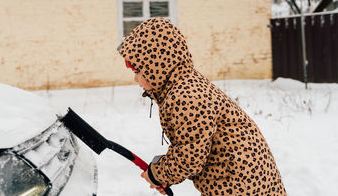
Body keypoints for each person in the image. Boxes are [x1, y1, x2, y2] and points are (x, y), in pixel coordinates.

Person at [117, 18, 286, 195]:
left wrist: (157, 174)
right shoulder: (183, 85)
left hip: (241, 184)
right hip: (241, 178)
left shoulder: (186, 96)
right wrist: (163, 174)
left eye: (137, 71)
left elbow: (190, 158)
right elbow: (191, 146)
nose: (135, 79)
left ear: (156, 67)